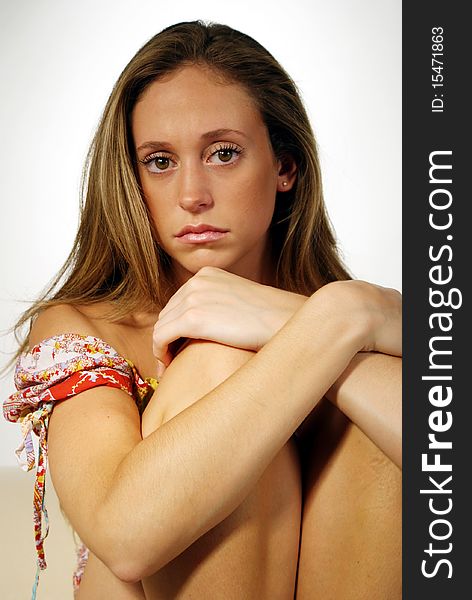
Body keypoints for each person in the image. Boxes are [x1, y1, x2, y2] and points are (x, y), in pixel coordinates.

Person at [4, 20, 402, 600]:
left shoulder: (345, 318)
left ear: (285, 167)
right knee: (216, 369)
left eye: (223, 153)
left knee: (377, 407)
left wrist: (318, 317)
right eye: (160, 161)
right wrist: (342, 317)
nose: (193, 193)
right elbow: (125, 536)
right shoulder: (86, 327)